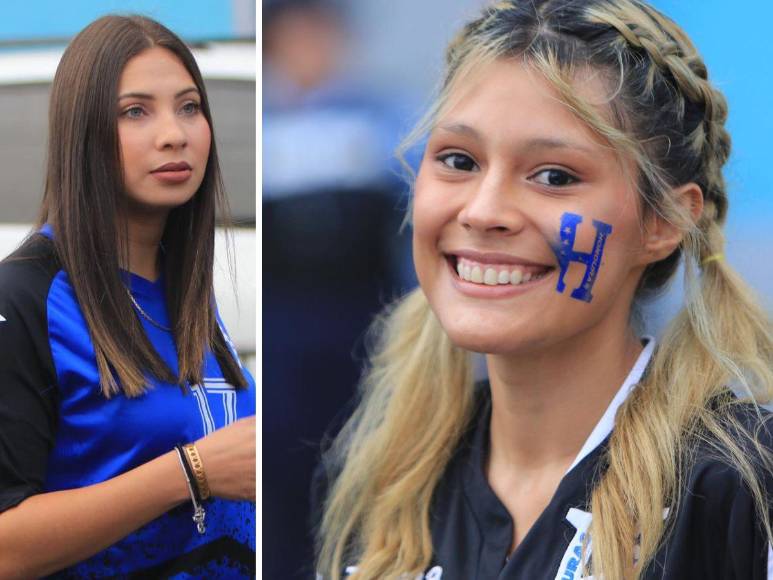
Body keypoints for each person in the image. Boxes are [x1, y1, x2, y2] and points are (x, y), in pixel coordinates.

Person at [312, 0, 773, 578]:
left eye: (554, 176)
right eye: (458, 160)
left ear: (663, 223)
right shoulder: (380, 478)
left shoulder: (743, 485)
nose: (483, 212)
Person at [0, 15, 255, 578]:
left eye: (189, 107)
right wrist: (191, 473)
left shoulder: (185, 287)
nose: (174, 134)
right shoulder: (23, 297)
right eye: (135, 111)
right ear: (82, 132)